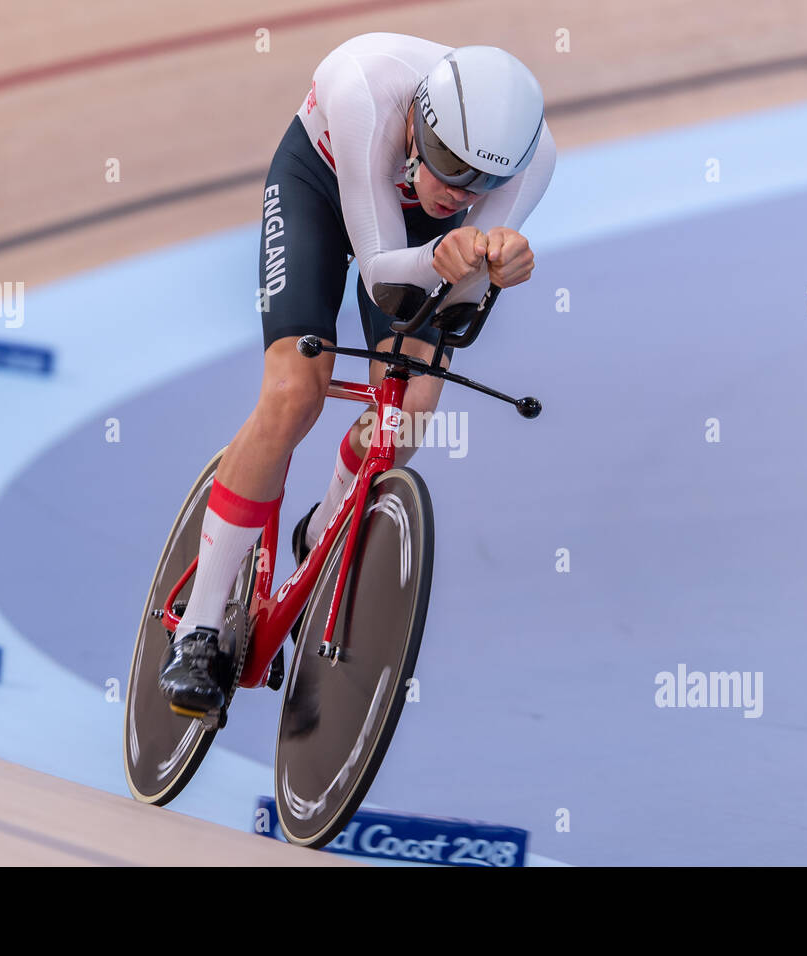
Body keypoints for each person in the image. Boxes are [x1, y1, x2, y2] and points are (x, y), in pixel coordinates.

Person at [159, 33, 556, 716]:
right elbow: (378, 277)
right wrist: (446, 257)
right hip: (321, 180)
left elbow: (453, 308)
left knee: (408, 416)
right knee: (293, 394)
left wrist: (496, 270)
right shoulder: (366, 93)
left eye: (479, 183)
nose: (456, 190)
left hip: (423, 248)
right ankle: (198, 628)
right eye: (446, 164)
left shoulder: (533, 158)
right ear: (418, 123)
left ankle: (325, 524)